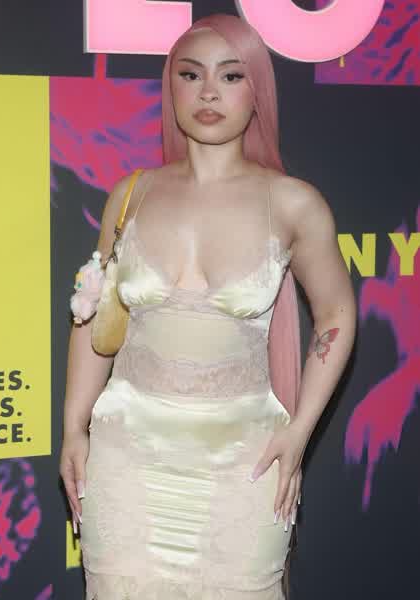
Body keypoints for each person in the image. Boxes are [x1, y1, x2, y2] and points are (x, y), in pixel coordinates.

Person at [59, 13, 356, 600]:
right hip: (125, 460)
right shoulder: (131, 195)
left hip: (245, 463)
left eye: (231, 75)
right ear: (171, 87)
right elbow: (93, 317)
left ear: (257, 89)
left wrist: (299, 433)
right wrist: (73, 428)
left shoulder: (293, 204)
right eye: (191, 75)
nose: (209, 93)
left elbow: (337, 318)